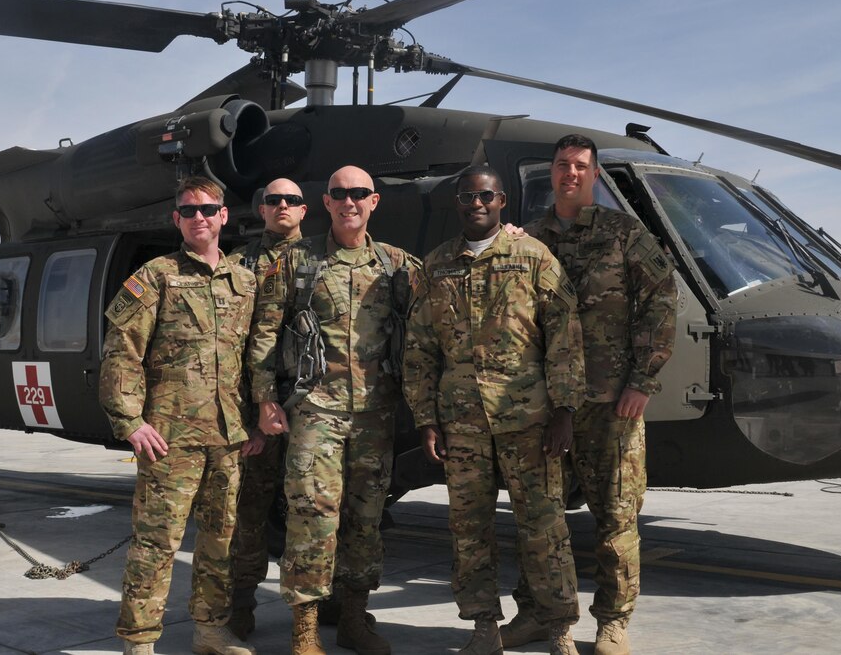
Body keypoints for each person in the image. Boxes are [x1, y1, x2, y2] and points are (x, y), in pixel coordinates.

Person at [503, 134, 678, 655]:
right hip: (543, 403)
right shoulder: (527, 240)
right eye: (562, 165)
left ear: (595, 175)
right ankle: (537, 614)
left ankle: (613, 622)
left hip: (610, 402)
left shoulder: (624, 234)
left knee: (616, 516)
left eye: (581, 166)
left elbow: (661, 303)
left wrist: (642, 381)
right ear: (551, 173)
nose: (571, 174)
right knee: (539, 518)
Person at [403, 164, 586, 655]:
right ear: (458, 203)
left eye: (486, 197)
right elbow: (419, 349)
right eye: (467, 197)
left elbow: (564, 338)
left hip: (529, 418)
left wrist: (565, 409)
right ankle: (483, 624)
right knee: (468, 529)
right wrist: (426, 418)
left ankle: (557, 625)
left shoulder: (533, 258)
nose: (477, 204)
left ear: (502, 201)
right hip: (460, 422)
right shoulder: (436, 265)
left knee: (543, 525)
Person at [248, 165, 419, 655]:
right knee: (311, 517)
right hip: (314, 411)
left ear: (374, 202)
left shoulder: (396, 265)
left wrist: (508, 240)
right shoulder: (299, 261)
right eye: (340, 194)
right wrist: (266, 399)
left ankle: (352, 618)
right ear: (325, 203)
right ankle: (304, 628)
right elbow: (264, 333)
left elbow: (443, 300)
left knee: (365, 521)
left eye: (359, 194)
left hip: (375, 414)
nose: (350, 202)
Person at [99, 176, 257, 655]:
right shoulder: (155, 276)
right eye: (189, 212)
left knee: (220, 543)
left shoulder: (244, 281)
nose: (199, 218)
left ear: (223, 215)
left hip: (228, 436)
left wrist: (253, 421)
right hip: (170, 437)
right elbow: (121, 352)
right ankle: (140, 640)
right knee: (156, 544)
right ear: (177, 220)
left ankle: (210, 630)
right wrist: (129, 420)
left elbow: (253, 359)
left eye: (208, 210)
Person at [226, 178, 309, 640]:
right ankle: (241, 601)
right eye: (273, 200)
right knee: (251, 509)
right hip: (253, 408)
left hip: (311, 407)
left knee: (314, 510)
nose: (282, 206)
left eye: (291, 200)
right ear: (261, 209)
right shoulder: (238, 264)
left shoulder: (322, 257)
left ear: (305, 209)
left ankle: (323, 600)